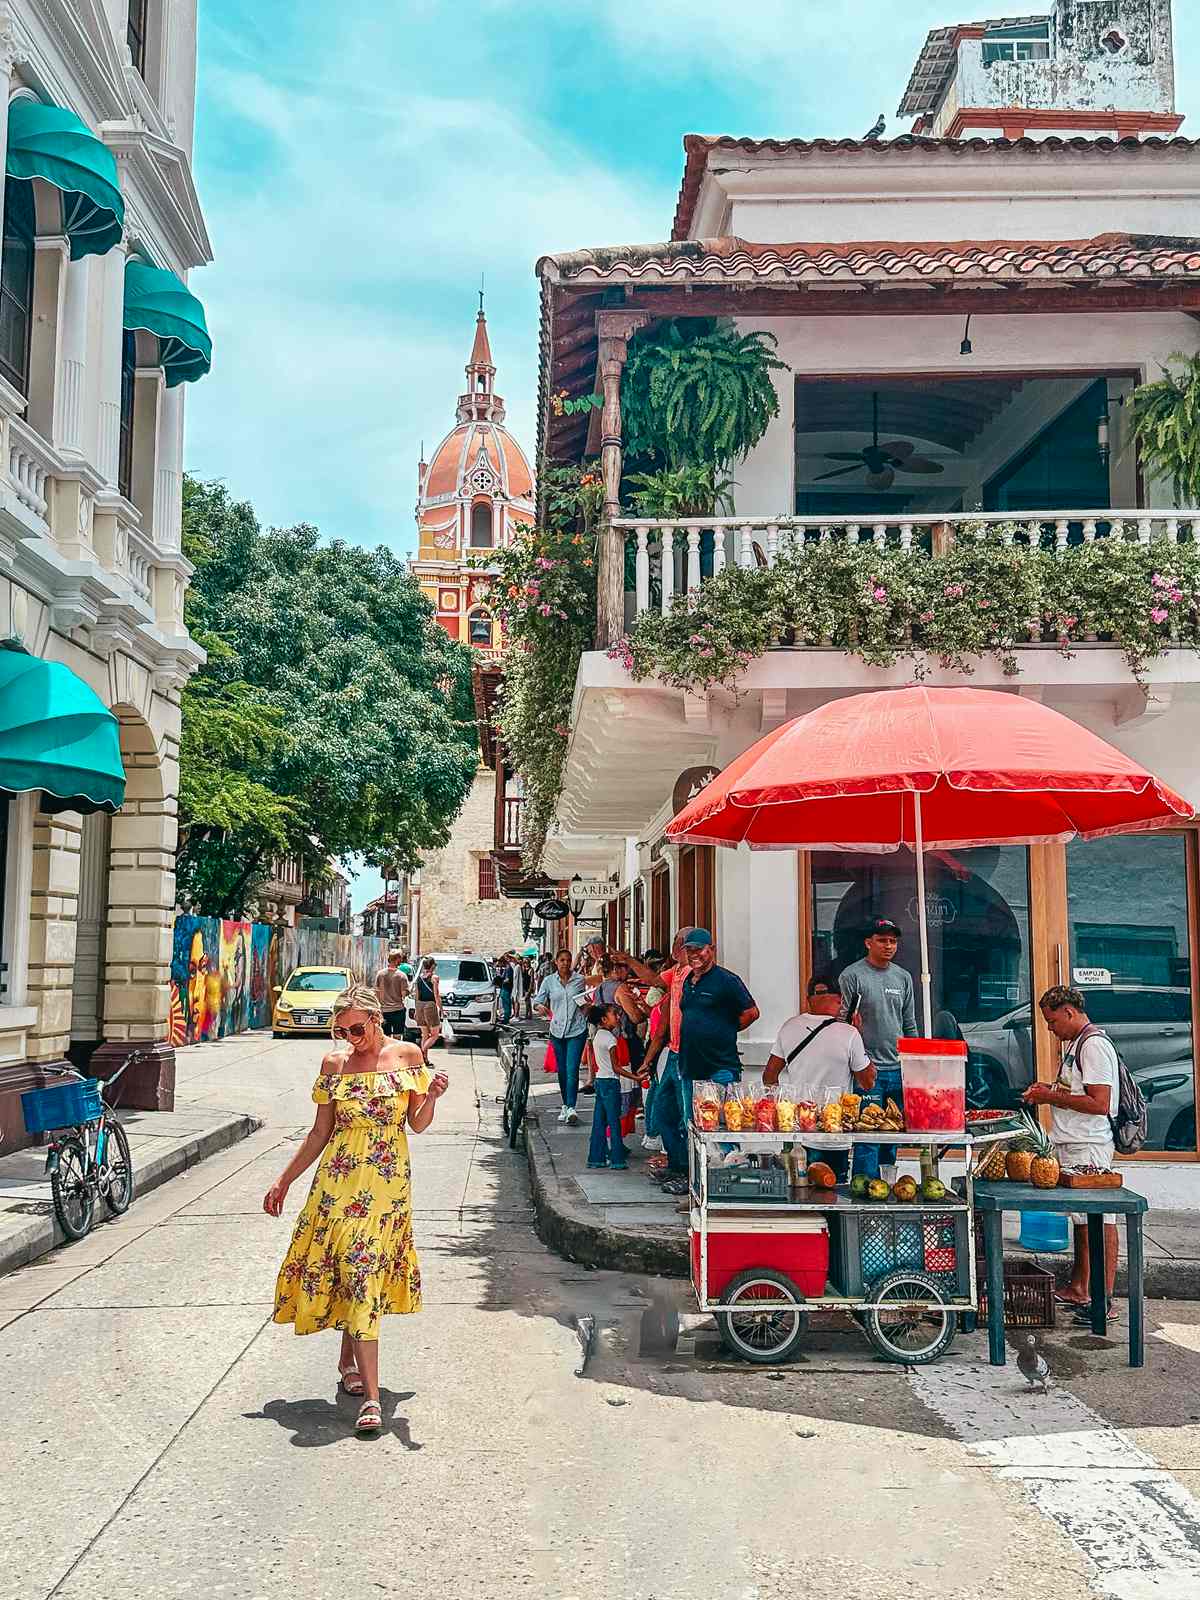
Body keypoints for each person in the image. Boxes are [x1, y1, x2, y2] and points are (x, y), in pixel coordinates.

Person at [264, 984, 448, 1436]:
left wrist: (433, 1096)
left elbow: (417, 1124)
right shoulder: (334, 1064)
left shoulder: (407, 1056)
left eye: (357, 1028)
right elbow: (319, 1132)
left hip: (386, 1191)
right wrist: (283, 1180)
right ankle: (369, 1395)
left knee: (364, 1274)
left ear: (375, 1018)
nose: (350, 1038)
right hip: (338, 1188)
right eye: (341, 1031)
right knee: (353, 1272)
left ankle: (358, 1376)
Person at [1025, 985, 1121, 1321]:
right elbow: (1074, 1091)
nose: (1050, 1029)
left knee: (1101, 1221)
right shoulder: (1075, 1045)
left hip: (1090, 1147)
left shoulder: (1093, 1046)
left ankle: (1103, 1300)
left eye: (1052, 1021)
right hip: (1073, 1143)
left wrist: (1050, 1098)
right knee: (1082, 1222)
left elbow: (1099, 1103)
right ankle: (1080, 1288)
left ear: (1068, 1012)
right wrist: (1047, 1090)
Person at [764, 975, 877, 1182]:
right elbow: (868, 1082)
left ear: (808, 999)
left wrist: (783, 1109)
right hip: (832, 1132)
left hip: (797, 1131)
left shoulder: (789, 1026)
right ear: (840, 1000)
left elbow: (769, 1076)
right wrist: (858, 1033)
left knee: (799, 1192)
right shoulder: (849, 1033)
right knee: (832, 1190)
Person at [838, 917, 917, 1182]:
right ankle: (864, 1193)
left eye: (893, 941)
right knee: (867, 1138)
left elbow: (909, 1023)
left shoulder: (903, 977)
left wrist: (914, 1061)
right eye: (882, 940)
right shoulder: (852, 976)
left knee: (891, 1135)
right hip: (866, 1069)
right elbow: (842, 1021)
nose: (888, 946)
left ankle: (886, 1186)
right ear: (868, 942)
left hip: (898, 1067)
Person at [629, 929, 696, 1185]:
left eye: (678, 943)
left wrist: (629, 961)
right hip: (673, 1052)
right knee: (662, 1111)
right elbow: (655, 981)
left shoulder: (693, 975)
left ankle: (689, 1175)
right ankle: (678, 1165)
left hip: (688, 1054)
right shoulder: (676, 974)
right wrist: (649, 1060)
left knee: (687, 1116)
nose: (675, 948)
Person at [676, 930, 759, 1127]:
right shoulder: (689, 981)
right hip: (690, 1067)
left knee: (721, 1125)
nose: (694, 954)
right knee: (694, 1125)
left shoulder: (727, 980)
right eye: (689, 950)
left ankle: (730, 1158)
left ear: (711, 950)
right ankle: (698, 1160)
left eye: (699, 949)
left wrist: (725, 1029)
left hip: (719, 1067)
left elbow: (752, 1013)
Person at [532, 946, 588, 1125]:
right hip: (557, 1030)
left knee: (572, 1069)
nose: (565, 963)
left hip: (576, 1030)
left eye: (567, 959)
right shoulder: (549, 981)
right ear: (556, 962)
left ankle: (572, 1107)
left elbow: (588, 997)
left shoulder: (579, 980)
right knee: (562, 1071)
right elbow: (537, 1001)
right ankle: (565, 1105)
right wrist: (540, 1007)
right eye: (561, 960)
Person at [586, 1001, 642, 1170]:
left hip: (600, 1081)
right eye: (614, 1015)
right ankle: (617, 1159)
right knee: (614, 1122)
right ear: (604, 1019)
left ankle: (596, 1158)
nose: (618, 1017)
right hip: (611, 1082)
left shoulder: (597, 1036)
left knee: (599, 1122)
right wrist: (636, 1077)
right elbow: (616, 1067)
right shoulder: (611, 1039)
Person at [373, 948, 410, 1037]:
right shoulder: (401, 976)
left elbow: (376, 992)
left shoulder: (380, 974)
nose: (401, 960)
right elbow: (403, 994)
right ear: (397, 959)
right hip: (397, 1010)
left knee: (385, 1037)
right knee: (397, 1036)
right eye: (400, 958)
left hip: (384, 1010)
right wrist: (409, 991)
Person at [413, 956, 441, 1063]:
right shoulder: (434, 978)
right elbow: (436, 995)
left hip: (419, 1005)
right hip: (430, 1005)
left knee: (424, 1034)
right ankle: (421, 1051)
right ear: (433, 966)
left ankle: (424, 1059)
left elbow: (417, 995)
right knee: (435, 1034)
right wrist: (442, 1010)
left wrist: (416, 1009)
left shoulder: (419, 977)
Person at [494, 954, 514, 1024]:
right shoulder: (507, 968)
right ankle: (506, 1018)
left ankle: (506, 1019)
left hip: (506, 988)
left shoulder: (508, 969)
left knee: (506, 1004)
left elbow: (508, 979)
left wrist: (501, 981)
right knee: (505, 1004)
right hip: (504, 988)